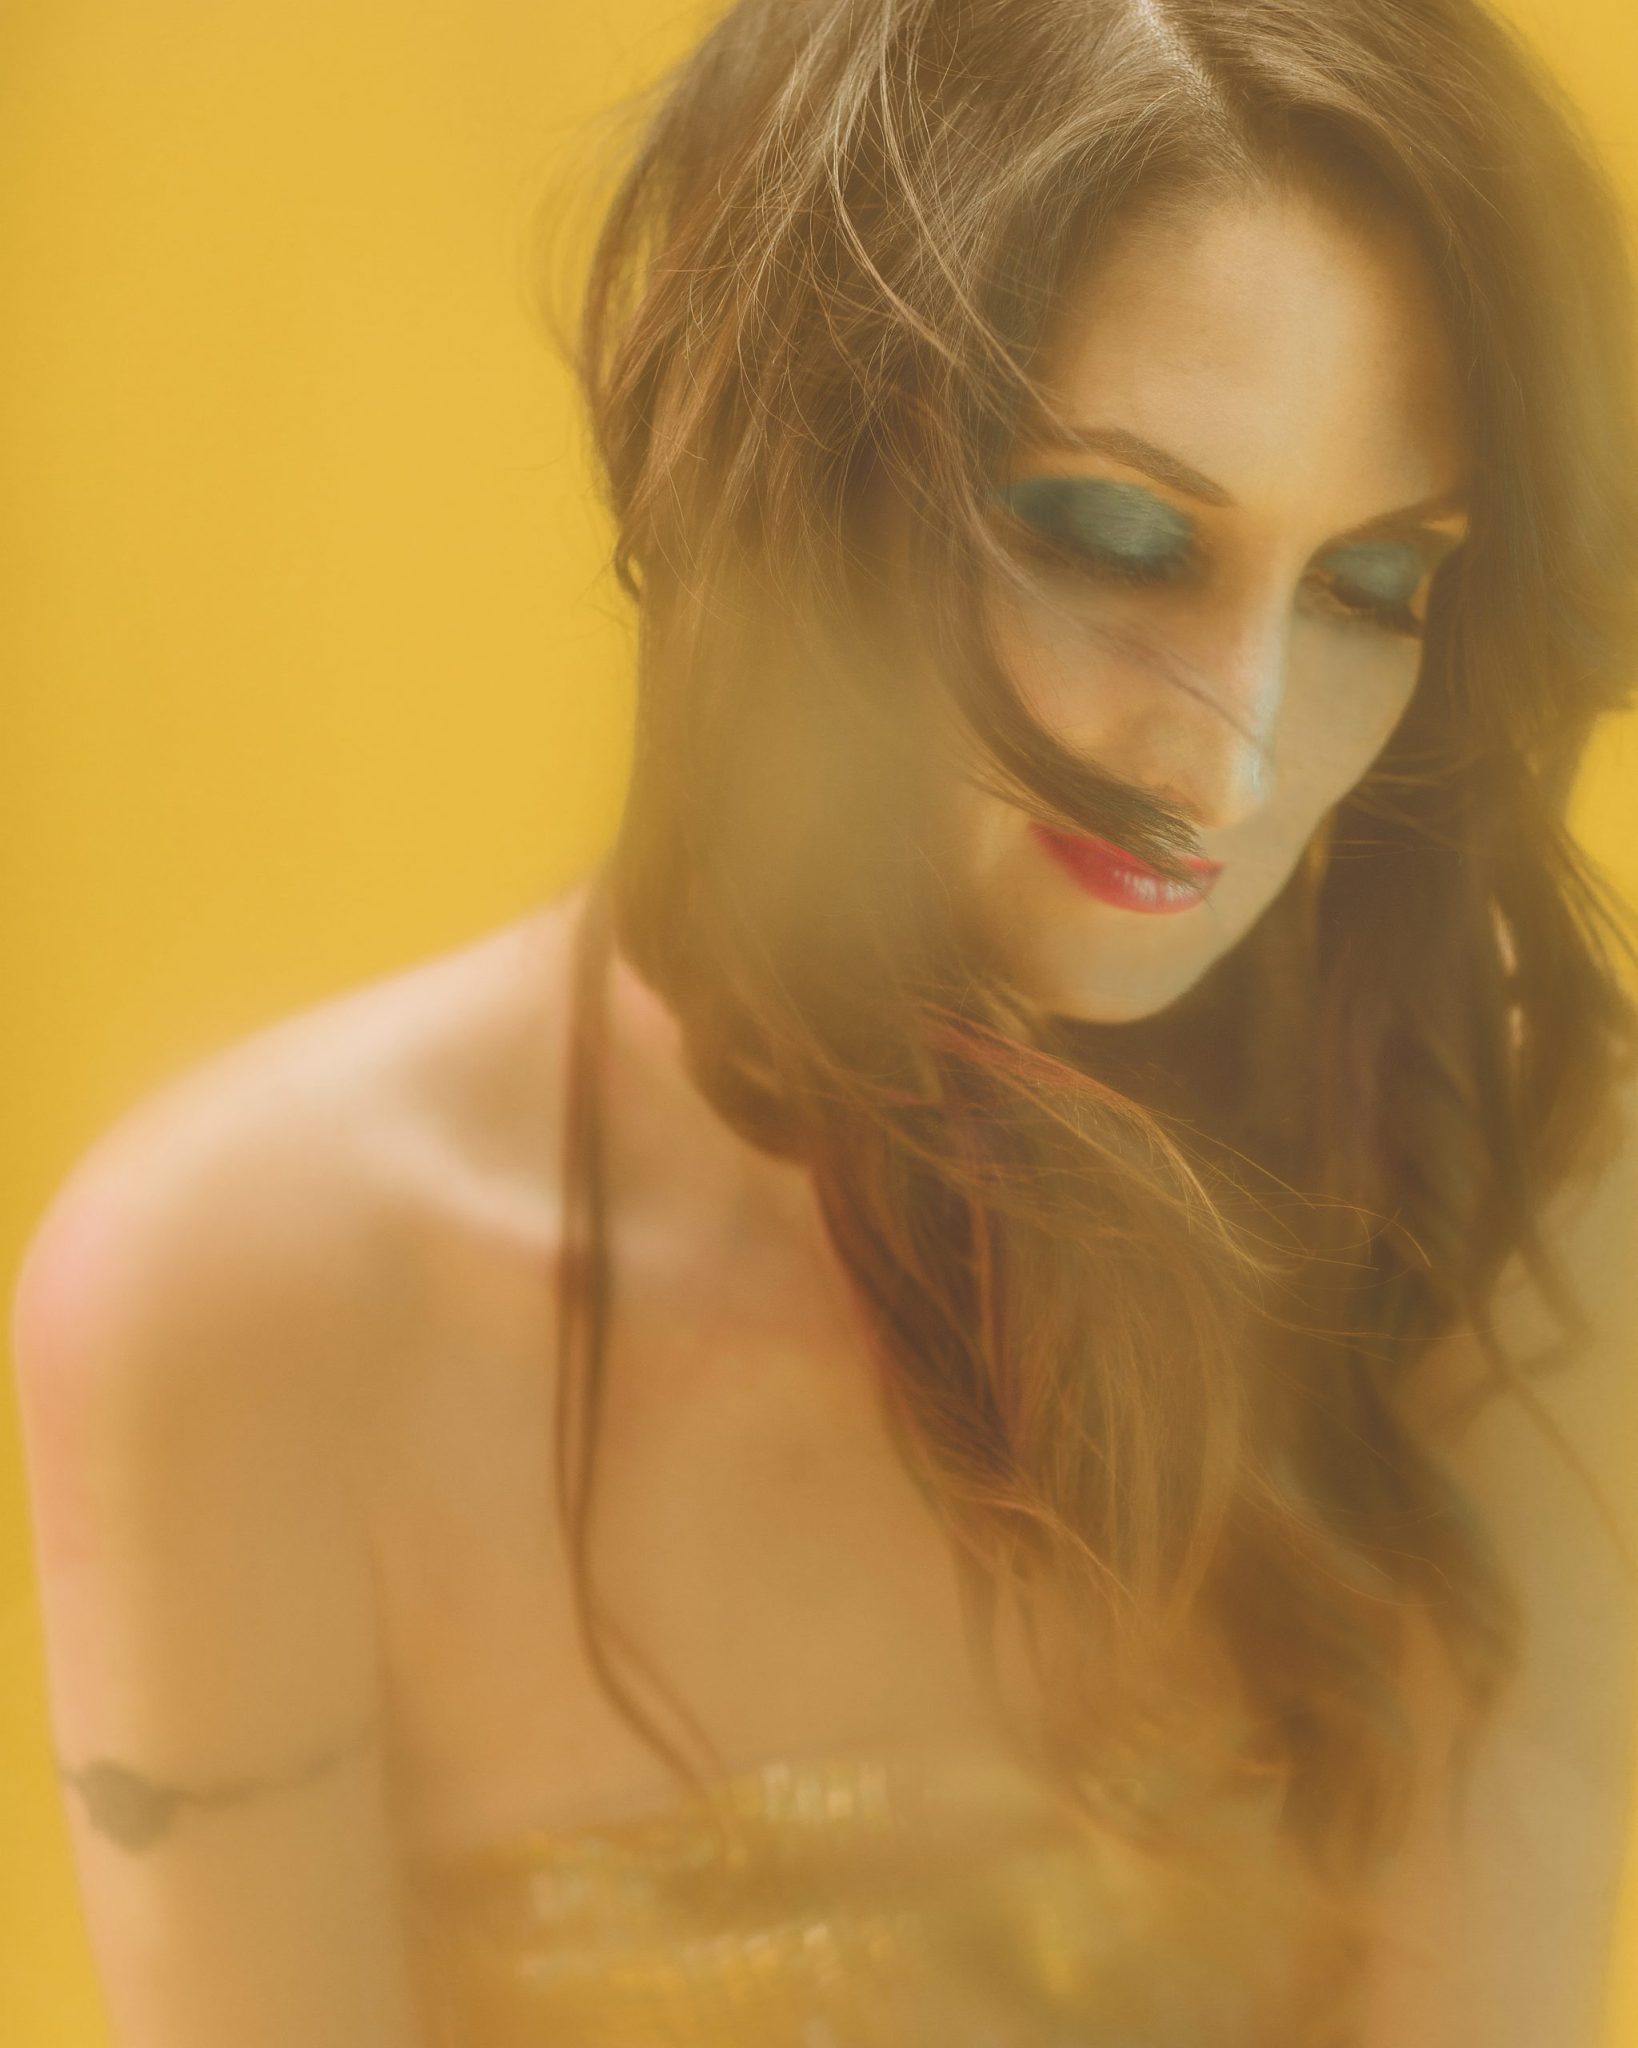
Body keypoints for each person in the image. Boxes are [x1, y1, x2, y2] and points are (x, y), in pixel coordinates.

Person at [12, 0, 1638, 2042]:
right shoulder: (255, 1294)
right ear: (778, 458)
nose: (1230, 766)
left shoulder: (1480, 1187)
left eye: (1373, 583)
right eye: (1117, 535)